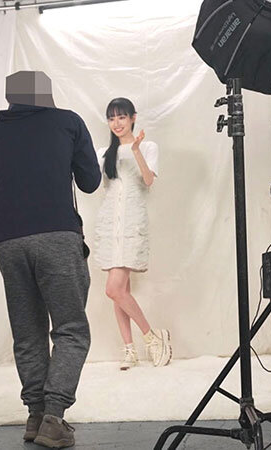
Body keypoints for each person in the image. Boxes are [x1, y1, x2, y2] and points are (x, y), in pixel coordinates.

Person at [0, 71, 100, 449]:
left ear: (11, 97)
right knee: (71, 328)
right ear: (45, 94)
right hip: (56, 233)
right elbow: (90, 181)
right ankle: (53, 418)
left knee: (27, 330)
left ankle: (35, 416)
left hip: (7, 238)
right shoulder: (67, 122)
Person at [94, 97, 172, 370]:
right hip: (109, 223)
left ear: (133, 118)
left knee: (113, 289)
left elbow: (148, 181)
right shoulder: (103, 152)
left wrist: (136, 150)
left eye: (121, 117)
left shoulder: (148, 147)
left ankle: (152, 337)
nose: (116, 123)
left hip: (131, 222)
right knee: (120, 291)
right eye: (111, 118)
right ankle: (129, 350)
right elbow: (95, 183)